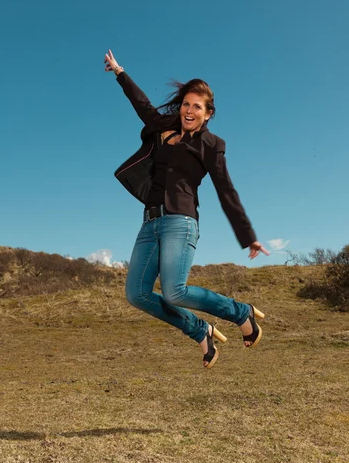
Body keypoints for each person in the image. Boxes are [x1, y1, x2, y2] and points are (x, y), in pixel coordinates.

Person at [104, 49, 270, 369]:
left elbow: (226, 190)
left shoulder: (211, 145)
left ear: (208, 113)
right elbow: (141, 104)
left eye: (197, 106)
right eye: (186, 104)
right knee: (137, 294)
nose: (189, 110)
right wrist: (120, 72)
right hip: (150, 221)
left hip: (180, 220)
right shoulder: (163, 125)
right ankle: (199, 331)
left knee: (174, 292)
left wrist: (248, 236)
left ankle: (241, 313)